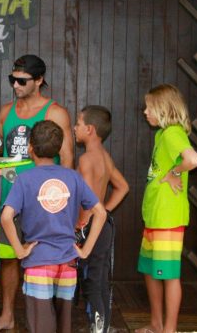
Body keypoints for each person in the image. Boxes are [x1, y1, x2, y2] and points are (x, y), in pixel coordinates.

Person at [0, 54, 74, 331]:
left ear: (40, 80)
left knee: (48, 259)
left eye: (22, 80)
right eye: (12, 79)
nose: (15, 85)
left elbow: (67, 159)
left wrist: (63, 202)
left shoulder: (55, 113)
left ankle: (51, 321)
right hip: (11, 197)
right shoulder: (7, 110)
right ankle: (7, 315)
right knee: (8, 257)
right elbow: (2, 152)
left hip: (45, 200)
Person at [0, 120, 106, 333]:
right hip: (67, 261)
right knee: (63, 324)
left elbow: (6, 217)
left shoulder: (24, 179)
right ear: (58, 149)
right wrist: (84, 251)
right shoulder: (73, 177)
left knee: (41, 325)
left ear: (30, 147)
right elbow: (101, 213)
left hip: (38, 261)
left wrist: (20, 251)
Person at [135, 84, 197, 333]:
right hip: (155, 216)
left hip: (167, 218)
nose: (145, 112)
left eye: (149, 107)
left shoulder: (173, 133)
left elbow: (193, 160)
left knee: (169, 274)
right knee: (151, 271)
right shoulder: (162, 134)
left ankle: (169, 330)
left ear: (163, 109)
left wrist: (174, 172)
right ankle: (156, 324)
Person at [74, 105, 130, 333]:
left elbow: (86, 197)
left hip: (90, 227)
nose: (74, 128)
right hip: (103, 226)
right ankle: (102, 326)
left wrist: (81, 224)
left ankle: (98, 329)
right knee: (100, 278)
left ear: (89, 129)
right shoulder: (105, 157)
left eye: (77, 124)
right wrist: (104, 211)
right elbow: (123, 187)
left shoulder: (86, 160)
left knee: (92, 281)